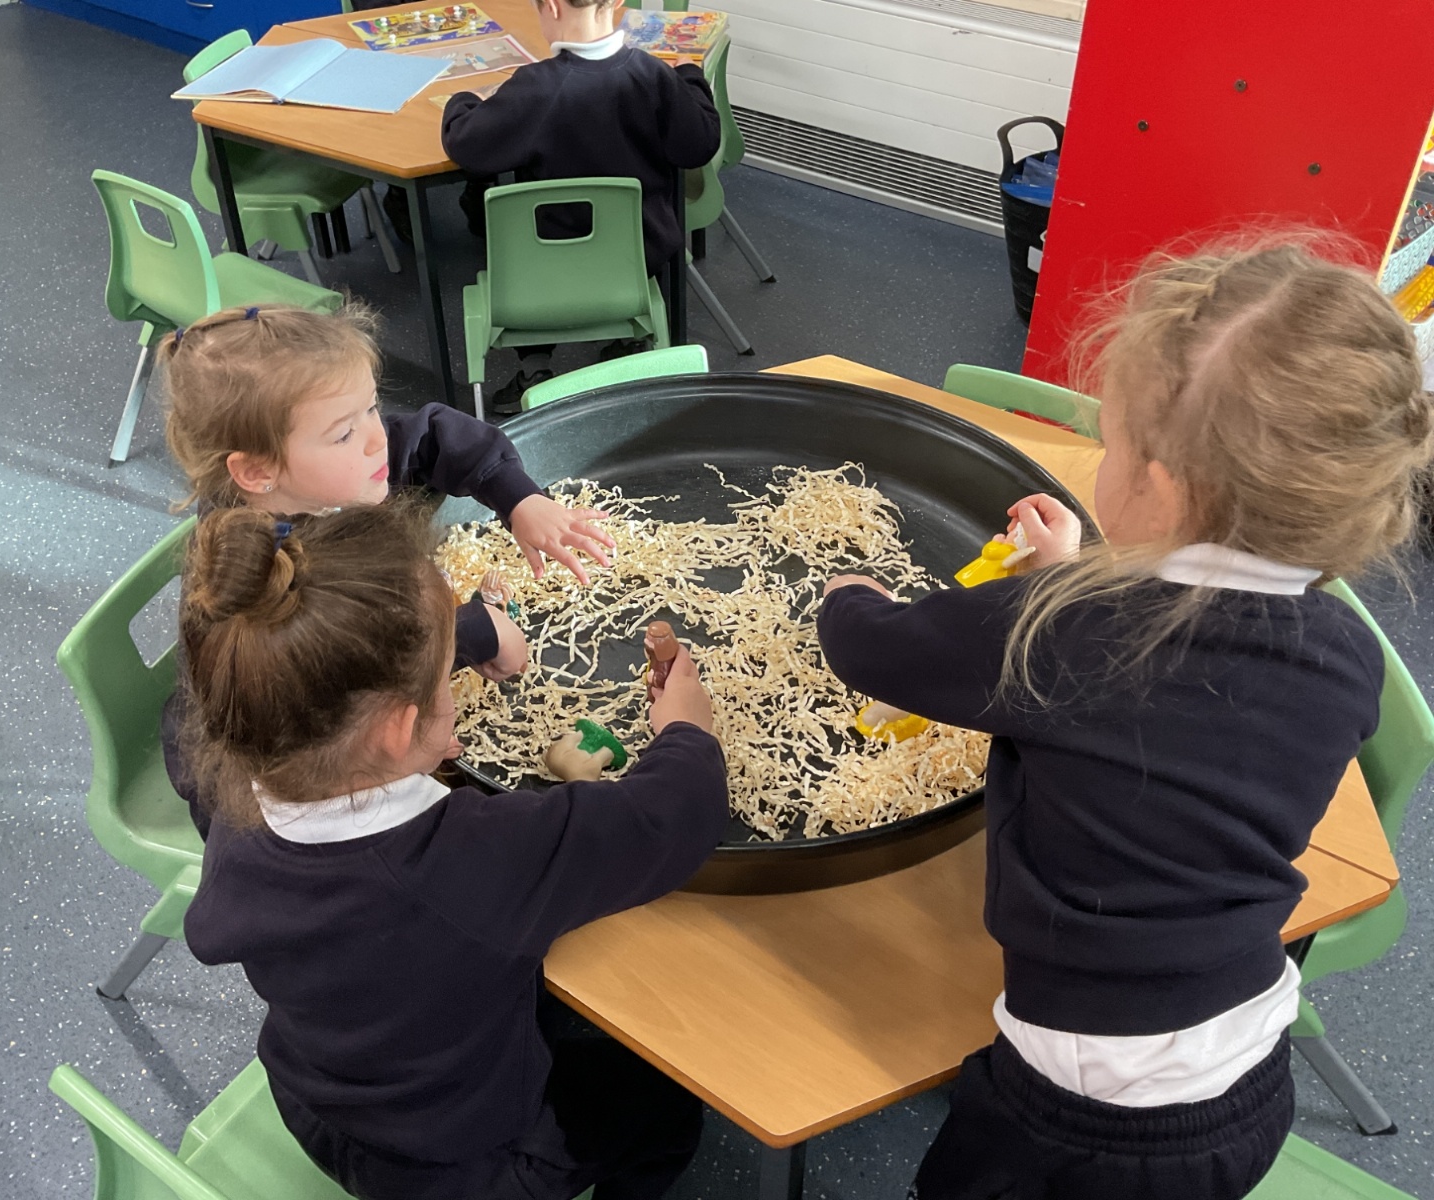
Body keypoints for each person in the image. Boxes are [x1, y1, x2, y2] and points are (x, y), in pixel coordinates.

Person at [816, 238, 1434, 1200]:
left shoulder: (1059, 636)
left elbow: (875, 652)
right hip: (1247, 1067)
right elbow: (1176, 693)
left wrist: (847, 593)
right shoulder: (1341, 650)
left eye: (1115, 447)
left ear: (1163, 487)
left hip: (1078, 1119)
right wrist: (1073, 575)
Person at [178, 502, 729, 1200]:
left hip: (315, 1102)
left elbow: (331, 682)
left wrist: (464, 644)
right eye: (444, 679)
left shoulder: (237, 795)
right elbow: (674, 816)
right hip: (470, 1166)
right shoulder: (472, 858)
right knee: (663, 1099)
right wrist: (687, 732)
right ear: (397, 728)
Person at [158, 302, 615, 835]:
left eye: (371, 407)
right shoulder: (278, 580)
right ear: (257, 471)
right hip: (276, 802)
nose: (377, 438)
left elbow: (436, 436)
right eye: (343, 433)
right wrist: (476, 632)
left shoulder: (321, 473)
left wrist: (519, 500)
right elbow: (340, 677)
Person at [439, 0, 721, 412]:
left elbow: (466, 145)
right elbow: (700, 143)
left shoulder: (534, 87)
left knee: (517, 226)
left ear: (552, 6)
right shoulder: (654, 76)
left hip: (541, 275)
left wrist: (462, 100)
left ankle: (534, 367)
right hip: (639, 262)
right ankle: (630, 341)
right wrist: (690, 77)